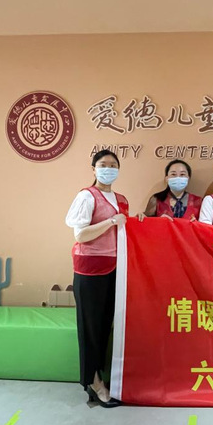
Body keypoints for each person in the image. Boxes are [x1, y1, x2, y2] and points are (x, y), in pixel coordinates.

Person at [65, 150, 128, 408]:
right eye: (103, 164)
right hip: (90, 270)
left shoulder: (121, 199)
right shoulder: (87, 196)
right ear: (94, 169)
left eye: (113, 165)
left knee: (104, 327)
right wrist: (111, 221)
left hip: (115, 268)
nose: (108, 169)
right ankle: (93, 383)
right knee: (90, 328)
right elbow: (80, 235)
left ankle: (100, 376)